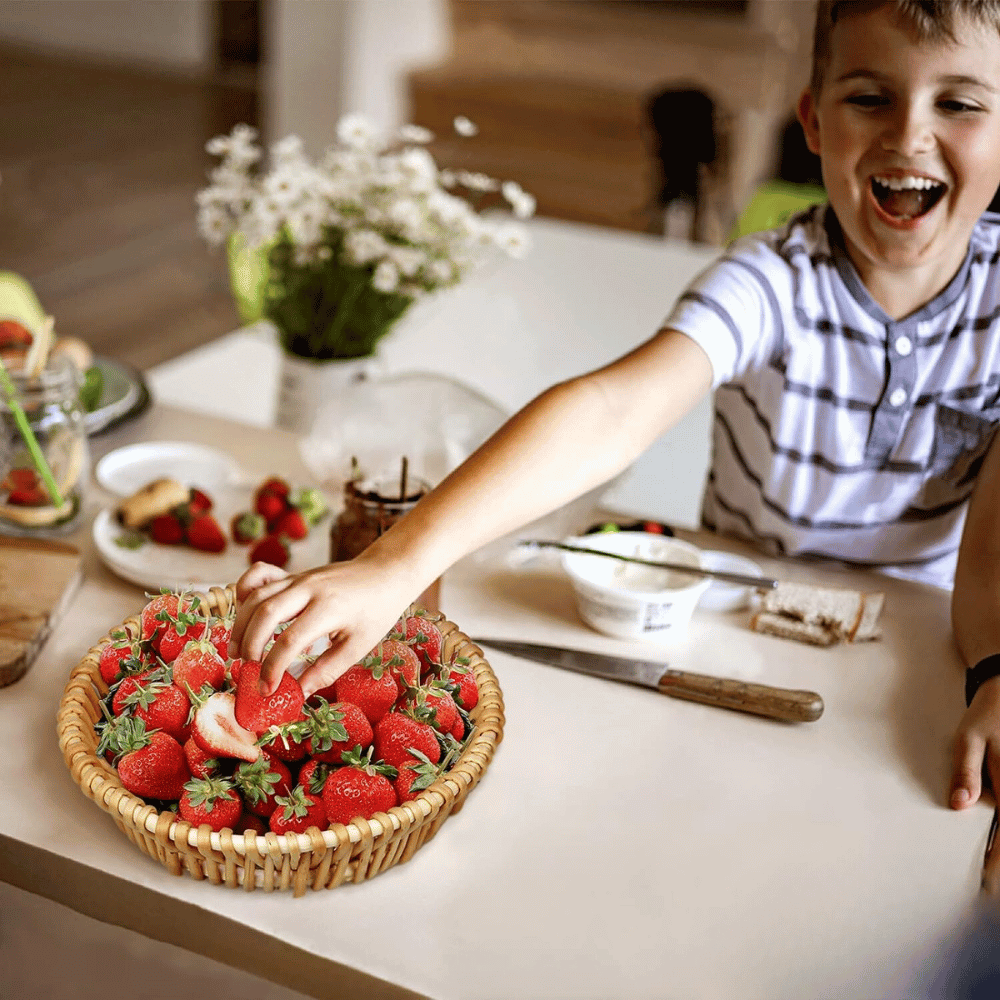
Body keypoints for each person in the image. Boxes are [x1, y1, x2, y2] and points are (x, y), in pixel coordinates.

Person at [232, 0, 1000, 864]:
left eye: (960, 104)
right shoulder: (772, 282)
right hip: (736, 643)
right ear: (814, 122)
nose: (910, 134)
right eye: (870, 97)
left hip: (930, 661)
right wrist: (392, 566)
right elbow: (612, 411)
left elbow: (991, 565)